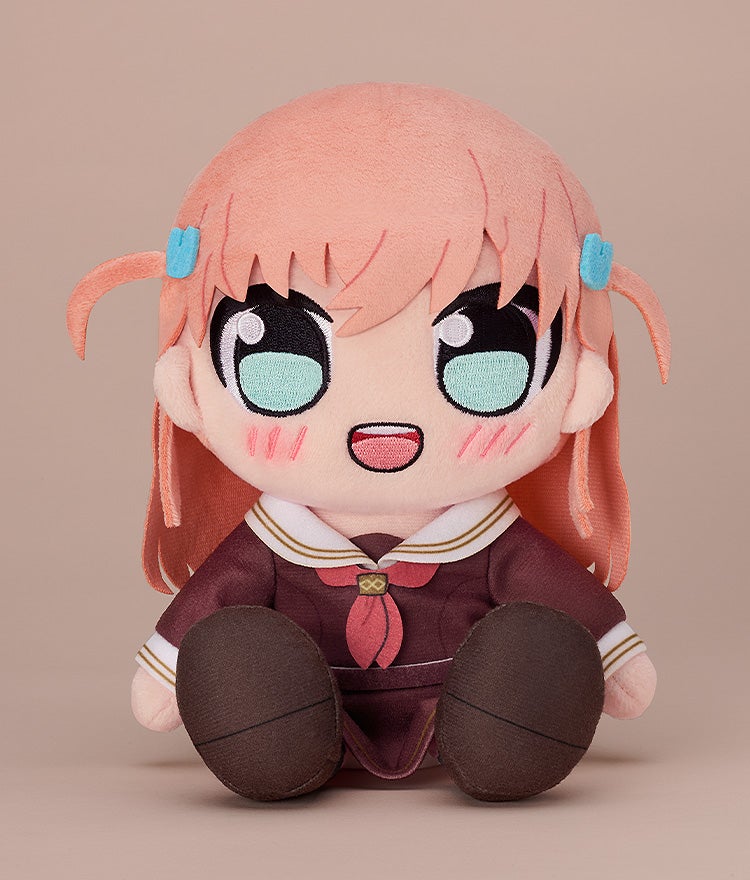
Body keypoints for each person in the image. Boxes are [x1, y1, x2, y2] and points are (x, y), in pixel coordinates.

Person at [67, 83, 670, 802]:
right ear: (188, 383)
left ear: (578, 385)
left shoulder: (496, 541)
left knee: (537, 646)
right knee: (233, 652)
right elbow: (209, 607)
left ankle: (507, 734)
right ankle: (272, 738)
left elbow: (567, 602)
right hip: (307, 711)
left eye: (486, 360)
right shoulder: (266, 542)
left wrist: (609, 656)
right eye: (281, 361)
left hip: (460, 712)